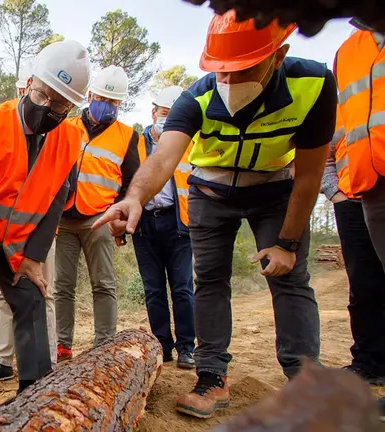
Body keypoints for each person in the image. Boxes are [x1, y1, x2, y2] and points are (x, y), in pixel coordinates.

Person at [93, 10, 337, 419]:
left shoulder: (313, 85)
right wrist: (135, 196)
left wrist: (288, 243)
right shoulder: (198, 96)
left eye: (243, 70)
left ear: (278, 56)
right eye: (221, 72)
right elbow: (164, 156)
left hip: (276, 189)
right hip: (210, 192)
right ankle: (211, 378)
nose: (230, 83)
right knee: (208, 281)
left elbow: (310, 175)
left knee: (291, 278)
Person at [0, 40, 90, 414]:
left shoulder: (70, 139)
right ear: (29, 84)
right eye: (43, 96)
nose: (49, 109)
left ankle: (35, 391)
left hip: (15, 243)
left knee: (29, 298)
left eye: (61, 105)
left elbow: (57, 202)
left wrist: (32, 258)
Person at [53, 65, 140, 361]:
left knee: (103, 283)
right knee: (62, 285)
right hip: (63, 217)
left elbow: (131, 182)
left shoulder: (127, 136)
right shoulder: (66, 126)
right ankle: (62, 344)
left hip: (100, 218)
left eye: (114, 102)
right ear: (90, 95)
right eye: (103, 98)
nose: (108, 106)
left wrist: (121, 219)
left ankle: (104, 344)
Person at [0, 56, 59, 382]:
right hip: (3, 231)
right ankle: (3, 359)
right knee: (5, 294)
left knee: (43, 290)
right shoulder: (2, 130)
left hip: (39, 229)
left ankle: (47, 362)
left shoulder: (55, 135)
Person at [331, 19, 385, 386]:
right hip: (359, 187)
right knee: (364, 284)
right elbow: (333, 130)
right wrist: (332, 187)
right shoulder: (347, 52)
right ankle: (369, 362)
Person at [132, 86, 195, 370]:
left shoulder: (190, 144)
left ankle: (186, 347)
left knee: (182, 288)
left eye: (173, 116)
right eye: (164, 114)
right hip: (145, 224)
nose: (167, 121)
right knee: (153, 289)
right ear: (153, 112)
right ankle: (162, 347)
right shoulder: (135, 144)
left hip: (179, 223)